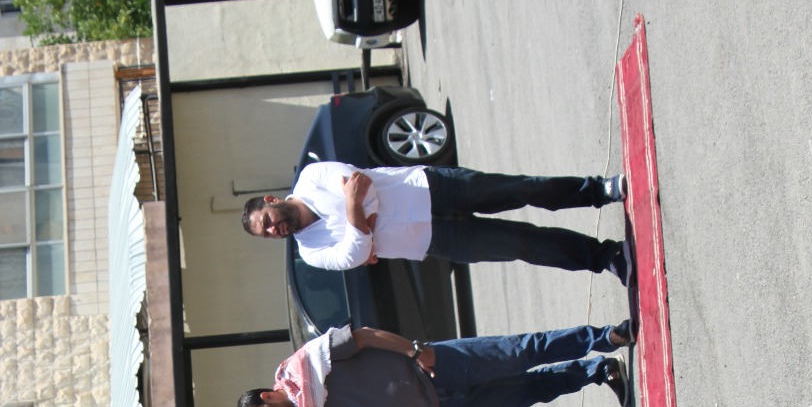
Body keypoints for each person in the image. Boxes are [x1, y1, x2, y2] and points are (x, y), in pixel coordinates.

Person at [236, 322, 632, 407]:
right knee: (529, 391)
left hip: (437, 366)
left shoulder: (309, 361)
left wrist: (415, 351)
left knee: (523, 351)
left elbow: (365, 336)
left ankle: (603, 337)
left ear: (269, 395)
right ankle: (599, 371)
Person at [241, 161, 632, 281]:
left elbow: (362, 186)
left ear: (272, 201)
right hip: (430, 239)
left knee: (523, 189)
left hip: (431, 187)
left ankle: (597, 190)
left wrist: (361, 227)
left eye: (268, 220)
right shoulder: (311, 252)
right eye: (268, 234)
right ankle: (605, 256)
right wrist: (357, 210)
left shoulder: (311, 177)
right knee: (523, 244)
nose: (275, 230)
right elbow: (353, 255)